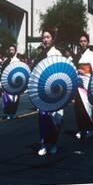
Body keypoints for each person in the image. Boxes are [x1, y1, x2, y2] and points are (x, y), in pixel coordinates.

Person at [32, 28, 64, 156]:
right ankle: (44, 144)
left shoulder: (57, 53)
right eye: (44, 37)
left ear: (52, 39)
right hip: (43, 91)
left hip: (55, 90)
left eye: (48, 37)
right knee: (43, 117)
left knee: (55, 117)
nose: (45, 40)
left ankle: (54, 143)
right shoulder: (40, 55)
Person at [73, 33, 93, 140]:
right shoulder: (77, 55)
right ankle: (80, 129)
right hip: (79, 85)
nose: (82, 43)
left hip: (88, 84)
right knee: (78, 108)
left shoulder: (91, 55)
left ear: (88, 43)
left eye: (84, 41)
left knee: (87, 108)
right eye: (81, 41)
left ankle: (89, 128)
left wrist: (85, 72)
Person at [0, 44, 21, 120]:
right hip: (7, 83)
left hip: (16, 84)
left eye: (13, 50)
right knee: (7, 99)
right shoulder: (6, 61)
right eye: (10, 50)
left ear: (15, 51)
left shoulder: (18, 61)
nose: (11, 51)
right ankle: (8, 113)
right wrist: (0, 83)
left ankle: (13, 113)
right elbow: (2, 72)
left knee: (15, 99)